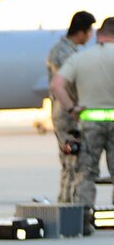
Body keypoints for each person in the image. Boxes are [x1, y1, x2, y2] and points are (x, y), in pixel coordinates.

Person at [53, 16, 114, 215]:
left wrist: (71, 109)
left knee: (85, 172)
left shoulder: (79, 58)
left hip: (90, 122)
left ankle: (83, 218)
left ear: (98, 34)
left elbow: (57, 85)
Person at [48, 12, 95, 206]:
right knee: (70, 162)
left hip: (72, 113)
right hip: (67, 114)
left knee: (74, 162)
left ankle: (70, 205)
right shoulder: (62, 53)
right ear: (82, 31)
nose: (91, 35)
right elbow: (67, 83)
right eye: (90, 30)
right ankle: (66, 206)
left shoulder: (71, 51)